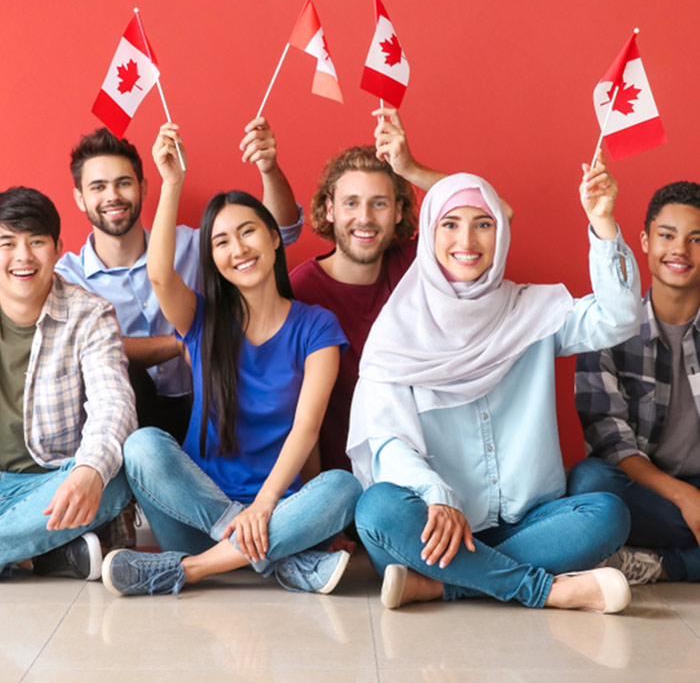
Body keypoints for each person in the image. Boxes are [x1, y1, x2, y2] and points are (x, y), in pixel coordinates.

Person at [347, 155, 642, 612]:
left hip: (531, 524)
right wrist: (437, 495)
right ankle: (545, 588)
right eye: (450, 225)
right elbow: (388, 444)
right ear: (429, 234)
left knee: (608, 514)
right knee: (377, 510)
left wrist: (603, 225)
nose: (467, 240)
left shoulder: (532, 311)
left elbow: (620, 318)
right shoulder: (396, 334)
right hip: (435, 523)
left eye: (483, 224)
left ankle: (443, 585)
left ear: (500, 234)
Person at [102, 124, 362, 596]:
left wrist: (265, 508)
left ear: (275, 238)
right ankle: (278, 560)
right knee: (142, 446)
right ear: (212, 257)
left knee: (343, 487)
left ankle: (190, 570)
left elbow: (307, 430)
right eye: (221, 241)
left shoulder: (317, 326)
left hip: (278, 508)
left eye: (248, 232)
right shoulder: (203, 318)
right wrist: (172, 182)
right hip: (197, 512)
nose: (238, 248)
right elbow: (160, 276)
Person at [57, 117, 302, 444]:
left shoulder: (192, 245)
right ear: (79, 198)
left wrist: (269, 169)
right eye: (98, 187)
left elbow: (282, 233)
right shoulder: (67, 277)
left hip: (210, 401)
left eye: (123, 183)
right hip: (124, 418)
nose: (112, 196)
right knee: (125, 370)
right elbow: (84, 348)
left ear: (143, 188)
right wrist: (186, 341)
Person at [290, 108, 447, 472]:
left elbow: (496, 213)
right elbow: (293, 414)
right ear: (329, 210)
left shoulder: (413, 265)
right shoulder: (300, 290)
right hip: (337, 483)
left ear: (398, 211)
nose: (364, 218)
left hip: (418, 471)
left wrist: (409, 169)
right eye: (351, 203)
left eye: (379, 203)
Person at [0, 187, 136, 581]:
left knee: (113, 480)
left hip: (53, 485)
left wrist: (89, 472)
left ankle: (26, 549)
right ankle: (40, 554)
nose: (22, 257)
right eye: (7, 243)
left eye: (36, 242)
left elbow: (114, 405)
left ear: (58, 247)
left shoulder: (89, 315)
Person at [570, 180, 700, 585]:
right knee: (590, 485)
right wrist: (683, 496)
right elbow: (611, 444)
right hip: (644, 488)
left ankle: (660, 565)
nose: (679, 249)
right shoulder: (607, 329)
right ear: (644, 241)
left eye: (696, 239)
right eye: (667, 235)